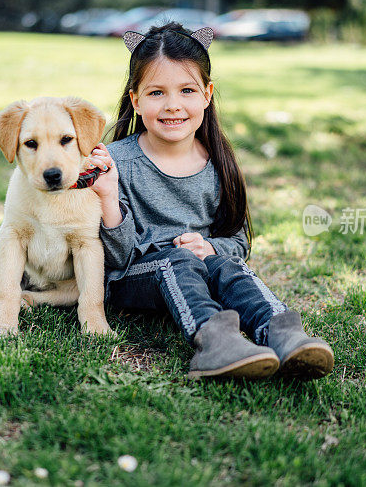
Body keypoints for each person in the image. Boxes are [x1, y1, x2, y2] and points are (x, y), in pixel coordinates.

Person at [85, 22, 333, 380]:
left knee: (229, 268)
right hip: (134, 279)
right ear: (136, 100)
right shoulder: (115, 163)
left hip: (199, 268)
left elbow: (237, 241)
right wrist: (108, 196)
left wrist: (211, 249)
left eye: (187, 90)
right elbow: (115, 262)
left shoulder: (217, 162)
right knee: (178, 262)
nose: (173, 106)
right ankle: (217, 343)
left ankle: (283, 333)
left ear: (207, 94)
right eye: (156, 93)